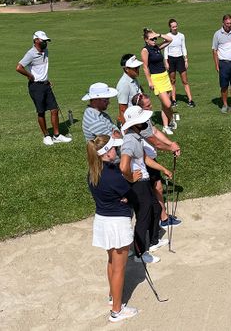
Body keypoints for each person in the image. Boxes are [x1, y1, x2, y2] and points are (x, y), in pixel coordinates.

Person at [86, 135, 138, 323]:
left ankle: (112, 296)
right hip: (117, 223)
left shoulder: (94, 172)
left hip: (102, 220)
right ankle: (117, 310)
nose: (116, 151)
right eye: (114, 148)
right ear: (106, 153)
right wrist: (128, 190)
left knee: (111, 261)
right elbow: (131, 195)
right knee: (119, 268)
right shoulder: (114, 175)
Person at [120, 106, 173, 263]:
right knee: (143, 217)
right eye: (142, 121)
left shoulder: (137, 137)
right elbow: (123, 166)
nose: (145, 123)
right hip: (138, 185)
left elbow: (145, 158)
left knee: (155, 209)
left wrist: (164, 169)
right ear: (135, 124)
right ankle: (139, 253)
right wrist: (130, 177)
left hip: (143, 181)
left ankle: (153, 242)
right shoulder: (129, 140)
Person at [131, 93, 182, 228]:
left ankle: (162, 217)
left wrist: (171, 144)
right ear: (139, 108)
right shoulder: (140, 122)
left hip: (149, 158)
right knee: (155, 189)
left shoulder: (145, 118)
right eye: (148, 106)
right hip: (143, 162)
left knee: (157, 188)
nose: (151, 106)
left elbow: (156, 132)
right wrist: (170, 148)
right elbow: (155, 142)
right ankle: (161, 218)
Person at [15, 30, 72, 145]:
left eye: (46, 41)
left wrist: (46, 79)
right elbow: (19, 67)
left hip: (45, 84)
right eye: (43, 40)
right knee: (41, 112)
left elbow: (41, 70)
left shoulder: (46, 51)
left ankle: (56, 135)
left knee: (54, 109)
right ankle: (46, 136)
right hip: (35, 86)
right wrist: (30, 76)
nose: (45, 43)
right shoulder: (31, 53)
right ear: (36, 40)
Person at [141, 28, 174, 135]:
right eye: (152, 38)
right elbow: (145, 67)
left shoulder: (157, 47)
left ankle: (165, 126)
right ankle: (172, 118)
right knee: (168, 104)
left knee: (165, 105)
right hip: (156, 79)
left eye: (155, 38)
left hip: (165, 76)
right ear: (146, 40)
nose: (154, 40)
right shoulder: (145, 50)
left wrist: (159, 34)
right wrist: (149, 81)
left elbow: (170, 40)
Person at [164, 18, 195, 108]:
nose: (175, 28)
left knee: (185, 81)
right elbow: (166, 49)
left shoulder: (181, 36)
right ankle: (173, 100)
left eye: (176, 26)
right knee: (172, 81)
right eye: (173, 27)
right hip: (171, 59)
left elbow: (183, 47)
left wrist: (186, 60)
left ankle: (190, 100)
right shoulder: (167, 36)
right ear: (170, 27)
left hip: (180, 59)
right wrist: (166, 62)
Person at [116, 54, 143, 123]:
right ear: (126, 69)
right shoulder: (124, 84)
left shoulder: (133, 78)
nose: (138, 70)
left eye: (138, 67)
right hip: (132, 121)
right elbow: (122, 109)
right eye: (135, 68)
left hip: (138, 117)